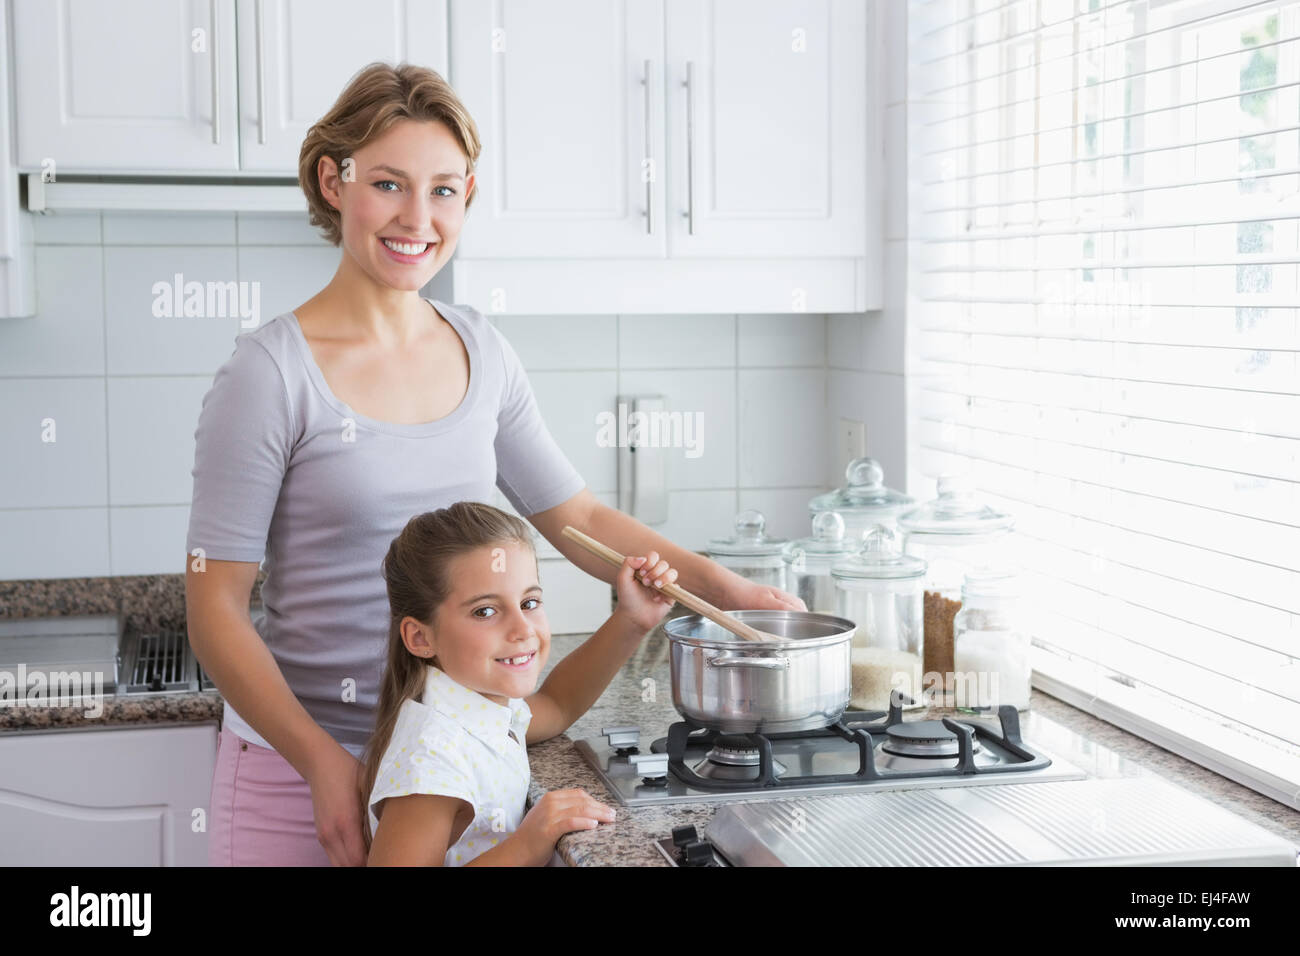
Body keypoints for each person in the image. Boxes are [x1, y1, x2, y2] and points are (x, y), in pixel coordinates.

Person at [185, 61, 805, 868]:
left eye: (443, 190)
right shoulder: (269, 374)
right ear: (333, 184)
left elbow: (576, 519)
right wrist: (321, 763)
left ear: (467, 197)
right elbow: (215, 611)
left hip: (450, 764)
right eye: (388, 184)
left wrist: (723, 590)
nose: (417, 217)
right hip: (297, 772)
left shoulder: (482, 349)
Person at [364, 502, 676, 866]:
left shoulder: (476, 706)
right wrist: (530, 843)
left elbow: (557, 705)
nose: (523, 629)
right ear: (419, 638)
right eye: (485, 611)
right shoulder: (433, 759)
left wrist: (632, 619)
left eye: (529, 602)